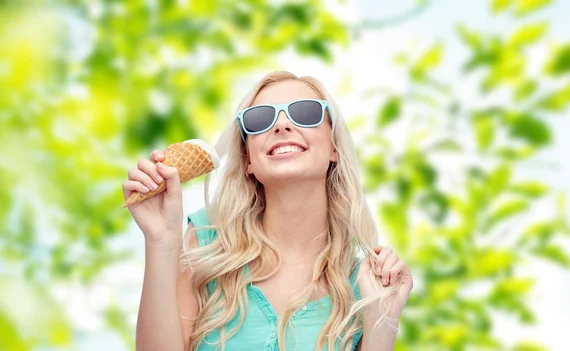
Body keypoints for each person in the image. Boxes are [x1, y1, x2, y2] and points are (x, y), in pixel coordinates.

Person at [123, 71, 413, 351]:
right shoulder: (206, 245)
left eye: (306, 113)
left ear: (334, 146)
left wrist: (383, 319)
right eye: (260, 119)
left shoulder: (363, 281)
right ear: (248, 158)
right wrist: (161, 241)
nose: (282, 125)